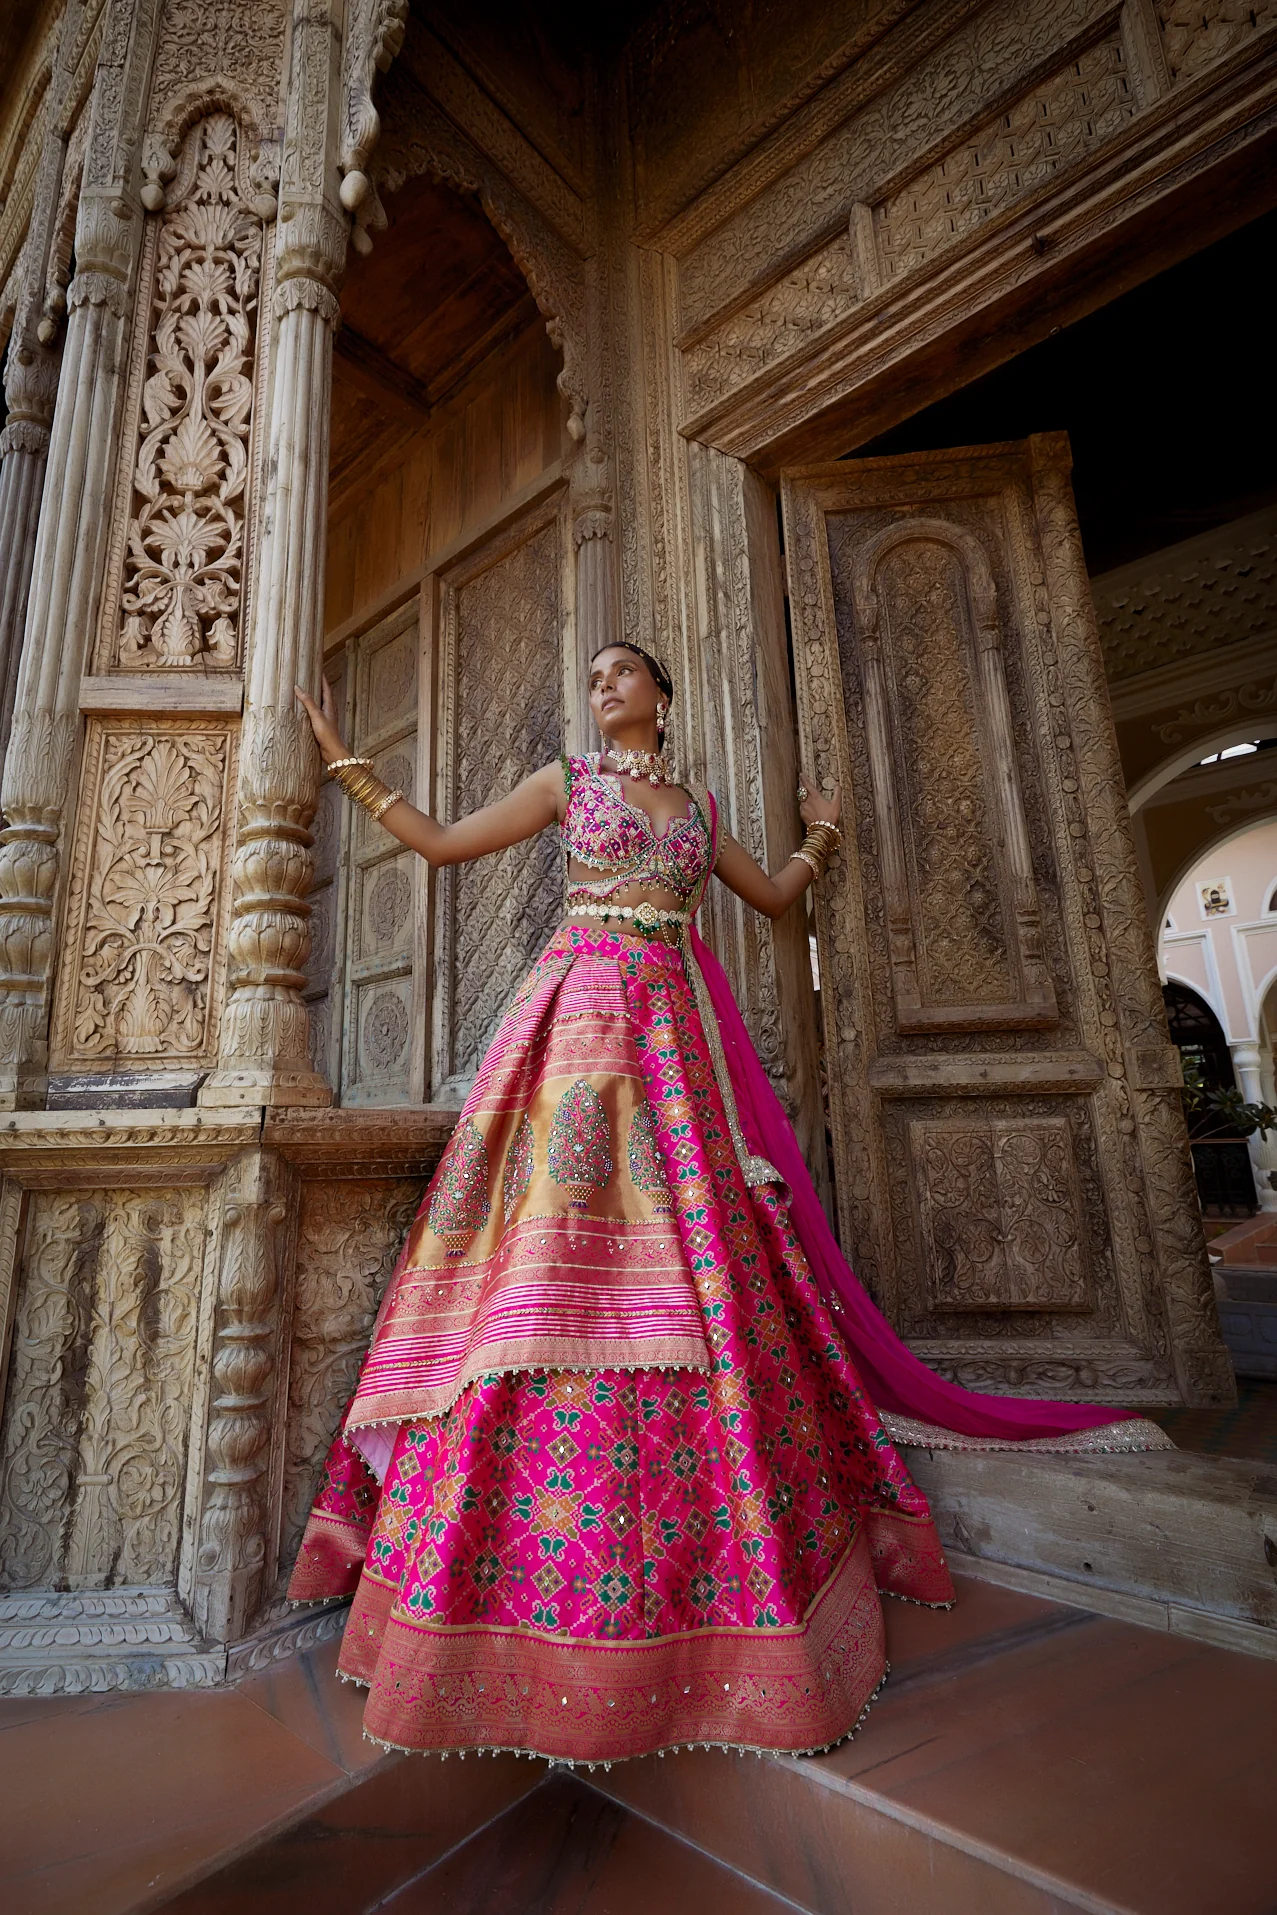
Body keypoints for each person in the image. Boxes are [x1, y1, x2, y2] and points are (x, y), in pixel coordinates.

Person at [289, 642, 1167, 1764]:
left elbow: (769, 896)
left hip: (675, 1055)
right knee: (560, 1256)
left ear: (661, 693)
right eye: (593, 678)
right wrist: (345, 763)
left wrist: (824, 834)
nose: (601, 688)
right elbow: (441, 843)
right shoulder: (567, 781)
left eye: (621, 674)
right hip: (576, 1035)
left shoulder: (698, 807)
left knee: (705, 1264)